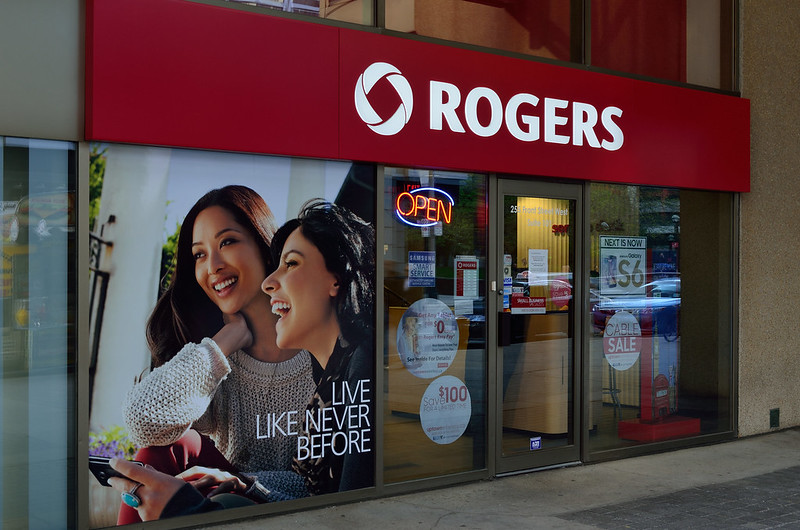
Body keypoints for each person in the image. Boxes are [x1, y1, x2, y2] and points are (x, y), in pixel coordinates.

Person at [109, 200, 376, 521]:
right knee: (160, 451)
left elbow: (331, 490)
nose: (213, 265)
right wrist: (224, 343)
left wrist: (247, 486)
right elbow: (144, 424)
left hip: (270, 501)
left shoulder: (329, 350)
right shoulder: (210, 363)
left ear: (265, 249)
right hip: (235, 490)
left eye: (227, 241)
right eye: (199, 254)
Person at [262, 199, 375, 495]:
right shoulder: (329, 376)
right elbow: (306, 488)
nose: (269, 283)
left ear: (335, 280)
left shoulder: (364, 363)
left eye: (291, 263)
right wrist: (240, 483)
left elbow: (352, 505)